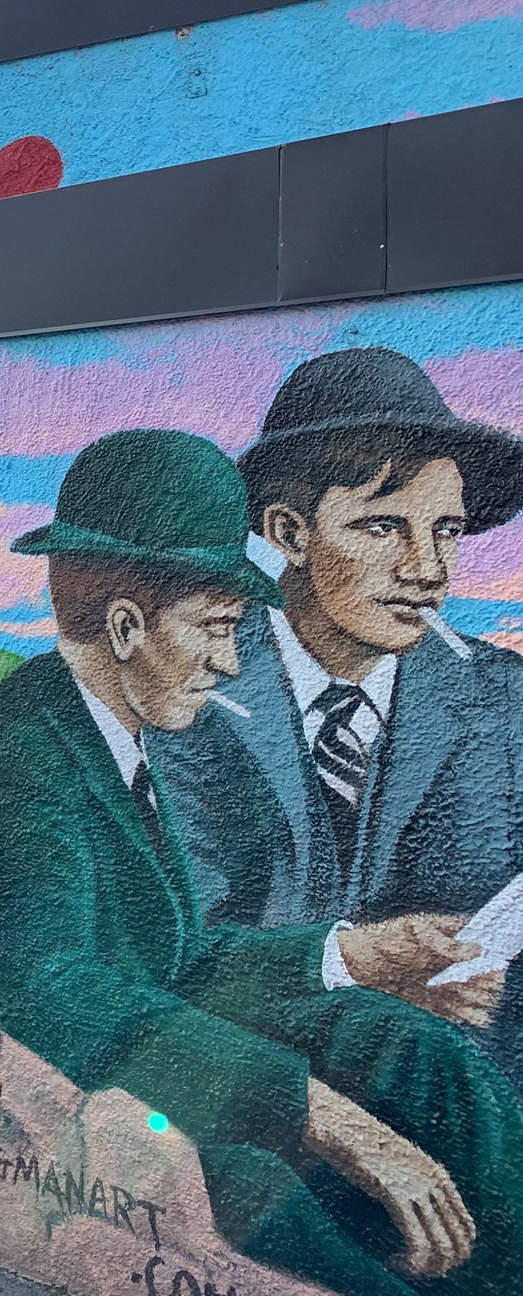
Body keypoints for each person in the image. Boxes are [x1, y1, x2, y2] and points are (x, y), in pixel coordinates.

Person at [0, 428, 521, 1296]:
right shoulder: (28, 757)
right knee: (271, 1198)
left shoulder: (116, 738)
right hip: (126, 1103)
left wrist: (356, 956)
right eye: (219, 630)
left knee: (412, 1048)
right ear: (124, 626)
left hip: (176, 1053)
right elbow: (56, 987)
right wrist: (317, 1112)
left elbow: (182, 956)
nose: (230, 662)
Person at [151, 348, 523, 1073]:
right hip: (256, 1125)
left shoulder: (503, 700)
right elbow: (170, 954)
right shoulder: (190, 693)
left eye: (445, 529)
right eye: (383, 528)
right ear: (290, 534)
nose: (428, 569)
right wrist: (359, 964)